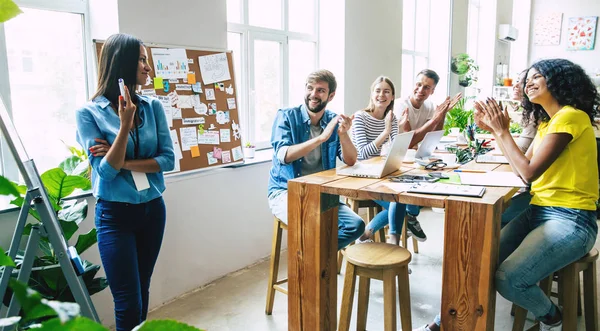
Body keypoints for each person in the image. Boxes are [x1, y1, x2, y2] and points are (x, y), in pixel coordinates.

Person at [416, 58, 599, 331]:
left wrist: (502, 131)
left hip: (572, 219)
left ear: (559, 81)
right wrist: (495, 132)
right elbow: (519, 165)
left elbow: (528, 173)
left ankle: (552, 317)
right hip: (539, 210)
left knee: (508, 278)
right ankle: (440, 324)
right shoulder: (547, 124)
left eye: (538, 76)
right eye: (528, 78)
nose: (529, 82)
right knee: (477, 263)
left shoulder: (571, 116)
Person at [75, 33, 175, 331]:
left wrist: (122, 162)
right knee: (127, 300)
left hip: (153, 210)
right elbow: (104, 173)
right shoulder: (88, 114)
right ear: (123, 63)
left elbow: (168, 160)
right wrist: (125, 125)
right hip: (115, 216)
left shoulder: (153, 107)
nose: (148, 68)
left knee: (142, 290)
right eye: (142, 60)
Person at [267, 69, 364, 250]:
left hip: (321, 192)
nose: (313, 94)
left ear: (331, 95)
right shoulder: (286, 116)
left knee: (356, 225)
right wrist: (320, 138)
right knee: (311, 222)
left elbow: (351, 160)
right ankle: (313, 267)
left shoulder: (333, 120)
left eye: (320, 90)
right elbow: (284, 155)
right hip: (285, 192)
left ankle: (316, 258)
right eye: (310, 88)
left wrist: (343, 135)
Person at [392, 69, 462, 241]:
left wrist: (442, 114)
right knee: (401, 201)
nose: (421, 90)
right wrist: (434, 120)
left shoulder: (430, 106)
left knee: (432, 178)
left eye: (427, 87)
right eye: (419, 84)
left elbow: (434, 134)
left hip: (411, 159)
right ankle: (408, 219)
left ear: (432, 91)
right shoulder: (401, 105)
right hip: (394, 158)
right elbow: (408, 140)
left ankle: (410, 217)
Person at [352, 76, 421, 245]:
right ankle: (393, 245)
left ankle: (367, 235)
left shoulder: (391, 118)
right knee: (399, 200)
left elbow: (393, 151)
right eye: (378, 90)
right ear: (372, 94)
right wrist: (386, 131)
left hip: (383, 173)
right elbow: (362, 155)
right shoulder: (361, 117)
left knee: (412, 198)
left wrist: (396, 132)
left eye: (386, 91)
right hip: (361, 176)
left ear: (392, 97)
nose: (381, 95)